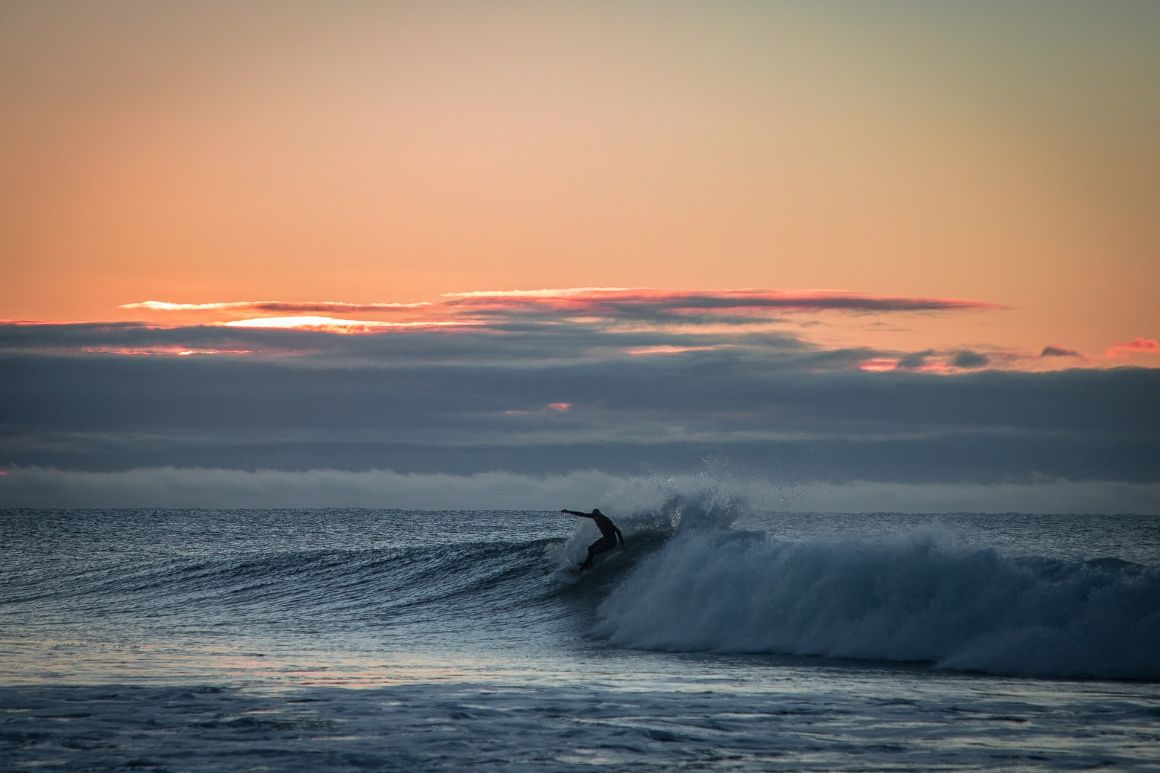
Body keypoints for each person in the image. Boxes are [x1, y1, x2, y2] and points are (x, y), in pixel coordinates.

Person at [561, 508, 625, 573]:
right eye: (594, 517)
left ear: (599, 515)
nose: (595, 519)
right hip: (605, 539)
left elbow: (618, 531)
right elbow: (582, 514)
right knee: (590, 548)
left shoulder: (606, 521)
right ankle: (589, 565)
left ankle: (580, 570)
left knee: (592, 552)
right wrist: (568, 511)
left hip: (611, 542)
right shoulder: (593, 516)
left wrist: (622, 544)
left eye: (596, 517)